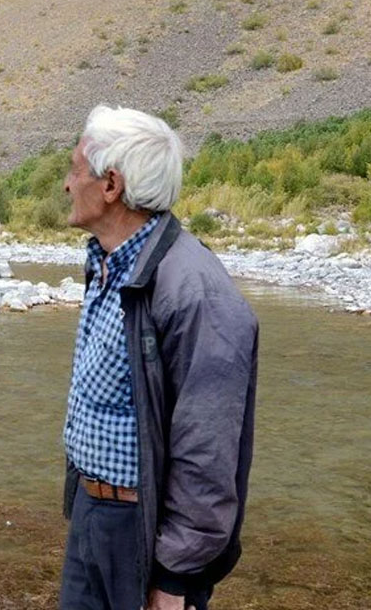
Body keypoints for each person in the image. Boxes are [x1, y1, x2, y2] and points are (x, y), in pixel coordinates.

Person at [58, 105, 259, 610]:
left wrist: (175, 576)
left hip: (141, 532)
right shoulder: (108, 263)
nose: (67, 183)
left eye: (75, 169)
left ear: (111, 185)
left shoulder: (194, 290)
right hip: (94, 515)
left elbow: (208, 449)